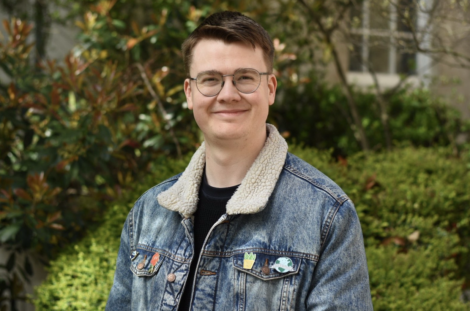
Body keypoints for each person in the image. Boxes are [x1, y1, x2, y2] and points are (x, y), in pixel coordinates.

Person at [106, 11, 373, 311]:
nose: (228, 94)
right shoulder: (147, 213)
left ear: (270, 89)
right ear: (190, 93)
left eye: (245, 78)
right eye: (210, 80)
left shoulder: (326, 215)